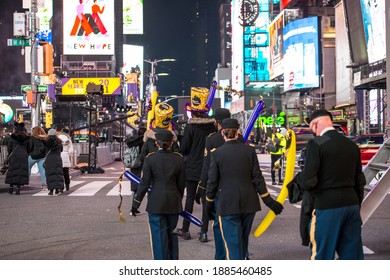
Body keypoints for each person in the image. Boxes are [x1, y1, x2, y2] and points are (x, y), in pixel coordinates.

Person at [205, 118, 283, 260]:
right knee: (242, 241)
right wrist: (269, 202)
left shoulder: (217, 153)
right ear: (237, 133)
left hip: (228, 204)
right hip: (249, 203)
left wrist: (208, 203)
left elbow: (212, 182)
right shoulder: (249, 151)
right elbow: (258, 178)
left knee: (233, 247)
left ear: (223, 133)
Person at [293, 109, 366, 260]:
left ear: (314, 124)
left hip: (327, 206)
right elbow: (360, 180)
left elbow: (309, 181)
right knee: (352, 256)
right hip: (351, 205)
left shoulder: (316, 143)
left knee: (322, 254)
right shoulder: (351, 145)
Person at [195, 108, 244, 259]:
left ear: (217, 123)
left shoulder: (211, 139)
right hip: (237, 186)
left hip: (217, 187)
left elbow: (207, 165)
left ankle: (221, 257)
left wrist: (202, 187)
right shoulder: (240, 138)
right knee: (237, 224)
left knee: (218, 223)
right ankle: (240, 255)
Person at [131, 129, 186, 260]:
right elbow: (181, 184)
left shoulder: (150, 159)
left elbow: (144, 184)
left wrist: (135, 203)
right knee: (172, 234)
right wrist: (177, 197)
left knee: (158, 237)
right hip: (173, 201)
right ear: (171, 143)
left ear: (157, 143)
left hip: (156, 203)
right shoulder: (179, 159)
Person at [174, 87, 217, 240]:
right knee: (206, 200)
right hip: (209, 167)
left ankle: (185, 229)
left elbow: (184, 148)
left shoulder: (191, 128)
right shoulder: (213, 128)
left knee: (190, 198)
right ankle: (204, 232)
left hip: (192, 167)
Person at [5, 122, 31, 195]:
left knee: (12, 171)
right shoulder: (26, 138)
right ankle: (18, 188)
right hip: (23, 156)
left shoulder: (12, 138)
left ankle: (11, 187)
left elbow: (9, 148)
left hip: (14, 155)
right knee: (20, 171)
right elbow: (29, 149)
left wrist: (10, 153)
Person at [43, 129, 64, 195]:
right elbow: (61, 150)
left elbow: (42, 150)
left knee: (50, 174)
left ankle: (51, 190)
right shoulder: (59, 142)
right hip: (57, 159)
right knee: (58, 174)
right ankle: (57, 189)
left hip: (49, 159)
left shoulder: (46, 142)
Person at [126, 126, 146, 192]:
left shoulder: (132, 140)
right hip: (143, 163)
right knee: (146, 182)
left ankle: (134, 201)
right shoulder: (145, 141)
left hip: (134, 162)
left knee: (135, 184)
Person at [58, 127, 74, 191]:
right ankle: (67, 186)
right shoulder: (68, 139)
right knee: (66, 172)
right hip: (65, 155)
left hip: (58, 155)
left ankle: (60, 187)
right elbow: (71, 151)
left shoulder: (58, 138)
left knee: (59, 173)